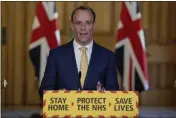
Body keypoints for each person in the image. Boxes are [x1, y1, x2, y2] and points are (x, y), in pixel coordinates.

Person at [39, 6, 119, 98]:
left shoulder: (108, 57)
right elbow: (44, 91)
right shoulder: (56, 55)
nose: (83, 28)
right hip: (65, 112)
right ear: (72, 26)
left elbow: (114, 94)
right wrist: (58, 95)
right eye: (78, 23)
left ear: (94, 25)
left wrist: (104, 94)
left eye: (88, 23)